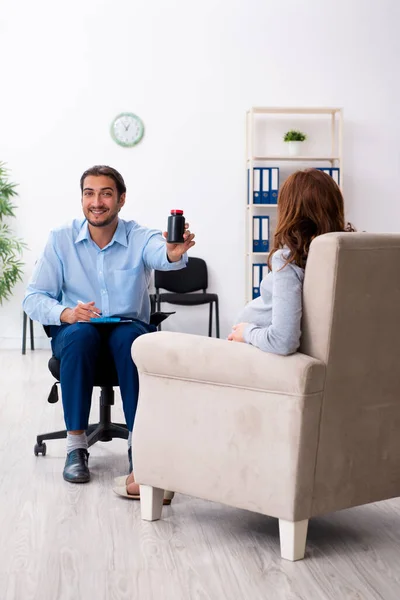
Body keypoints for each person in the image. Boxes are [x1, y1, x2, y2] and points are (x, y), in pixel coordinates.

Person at [23, 165, 195, 486]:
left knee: (130, 338)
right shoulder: (61, 240)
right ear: (82, 198)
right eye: (89, 193)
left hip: (126, 329)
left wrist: (173, 253)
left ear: (121, 199)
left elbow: (162, 253)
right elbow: (33, 298)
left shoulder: (139, 236)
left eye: (106, 193)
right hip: (77, 331)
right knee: (80, 335)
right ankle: (76, 447)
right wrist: (66, 313)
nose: (97, 201)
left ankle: (138, 449)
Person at [228, 168, 354, 354]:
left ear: (290, 211)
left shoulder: (289, 259)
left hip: (251, 349)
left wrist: (246, 332)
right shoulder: (345, 253)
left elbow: (282, 341)